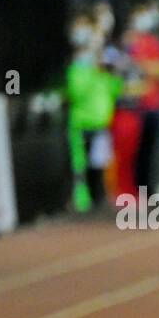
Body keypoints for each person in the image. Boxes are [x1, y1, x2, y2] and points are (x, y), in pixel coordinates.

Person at [112, 0, 159, 201]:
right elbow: (122, 71)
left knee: (151, 153)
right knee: (134, 155)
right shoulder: (127, 43)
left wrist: (142, 65)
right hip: (134, 108)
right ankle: (136, 194)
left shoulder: (153, 42)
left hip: (153, 106)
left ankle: (148, 193)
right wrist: (146, 67)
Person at [64, 11, 121, 212]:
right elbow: (76, 92)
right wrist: (89, 68)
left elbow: (115, 88)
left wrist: (107, 71)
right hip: (81, 122)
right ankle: (81, 201)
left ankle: (99, 199)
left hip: (101, 122)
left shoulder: (102, 65)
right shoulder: (77, 66)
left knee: (100, 163)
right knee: (80, 166)